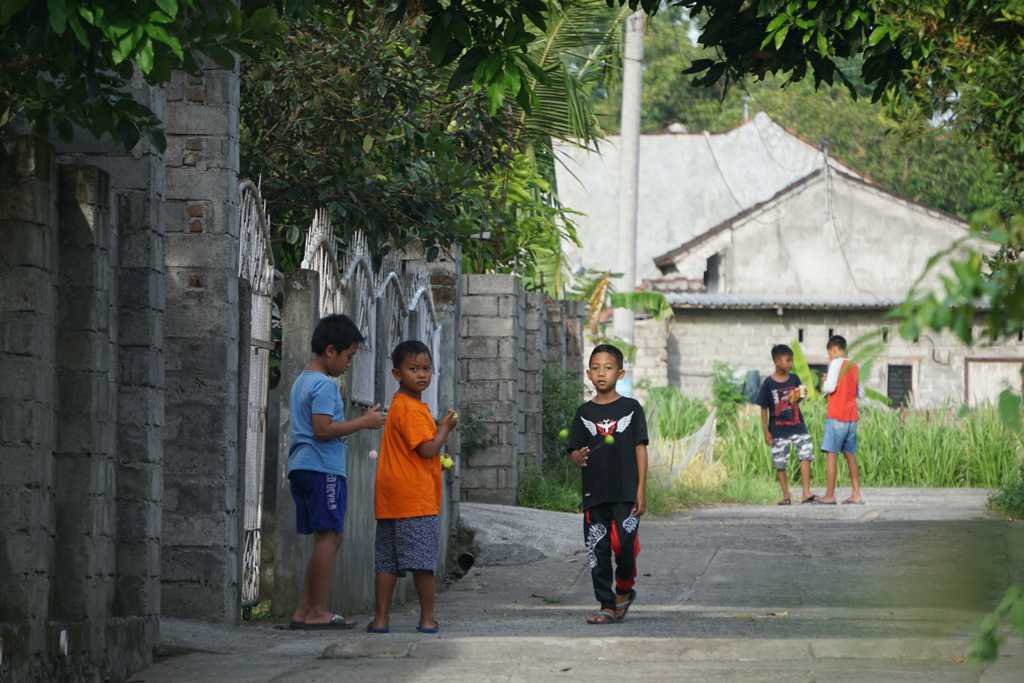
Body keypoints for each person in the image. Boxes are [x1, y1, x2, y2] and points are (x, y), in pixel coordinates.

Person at [287, 314, 385, 630]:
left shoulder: (302, 380)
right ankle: (317, 610)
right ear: (331, 351)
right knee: (331, 536)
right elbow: (322, 429)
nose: (349, 363)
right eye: (349, 356)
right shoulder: (324, 385)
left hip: (302, 467)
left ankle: (304, 610)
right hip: (322, 469)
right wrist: (364, 422)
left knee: (324, 538)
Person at [368, 340, 457, 634]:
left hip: (390, 498)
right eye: (413, 369)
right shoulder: (413, 409)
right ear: (397, 373)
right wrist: (444, 428)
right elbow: (428, 450)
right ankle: (427, 618)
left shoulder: (397, 406)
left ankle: (381, 619)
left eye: (426, 369)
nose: (422, 375)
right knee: (422, 562)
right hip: (415, 499)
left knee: (387, 561)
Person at [567, 344, 649, 625]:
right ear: (589, 374)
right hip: (594, 494)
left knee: (624, 545)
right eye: (596, 368)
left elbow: (640, 448)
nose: (602, 373)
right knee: (597, 548)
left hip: (626, 492)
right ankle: (606, 604)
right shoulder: (582, 413)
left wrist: (641, 489)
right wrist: (577, 456)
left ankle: (624, 589)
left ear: (621, 372)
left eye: (608, 367)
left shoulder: (632, 408)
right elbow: (574, 452)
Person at [756, 344, 817, 506]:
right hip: (777, 430)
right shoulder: (768, 384)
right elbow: (763, 408)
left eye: (792, 361)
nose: (790, 364)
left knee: (806, 453)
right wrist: (765, 431)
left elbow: (801, 396)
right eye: (787, 360)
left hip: (798, 426)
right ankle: (786, 495)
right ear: (777, 361)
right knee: (780, 462)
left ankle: (806, 492)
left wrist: (798, 396)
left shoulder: (794, 378)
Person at [817, 335, 864, 505]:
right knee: (850, 455)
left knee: (831, 455)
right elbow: (861, 392)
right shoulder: (855, 365)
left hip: (837, 416)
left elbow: (830, 387)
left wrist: (823, 383)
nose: (829, 357)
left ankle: (830, 495)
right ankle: (856, 493)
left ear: (834, 350)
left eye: (829, 353)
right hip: (852, 417)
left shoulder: (836, 363)